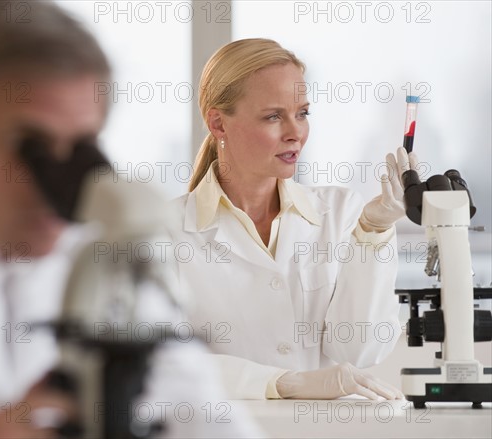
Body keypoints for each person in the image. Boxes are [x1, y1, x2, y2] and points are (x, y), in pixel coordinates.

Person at [0, 3, 261, 438]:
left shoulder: (100, 248)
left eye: (83, 147)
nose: (58, 185)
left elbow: (205, 415)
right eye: (31, 146)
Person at [171, 38, 415, 400]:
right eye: (273, 116)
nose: (295, 132)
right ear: (218, 123)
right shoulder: (166, 231)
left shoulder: (340, 212)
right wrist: (283, 382)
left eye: (302, 113)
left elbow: (360, 350)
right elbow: (165, 363)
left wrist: (373, 234)